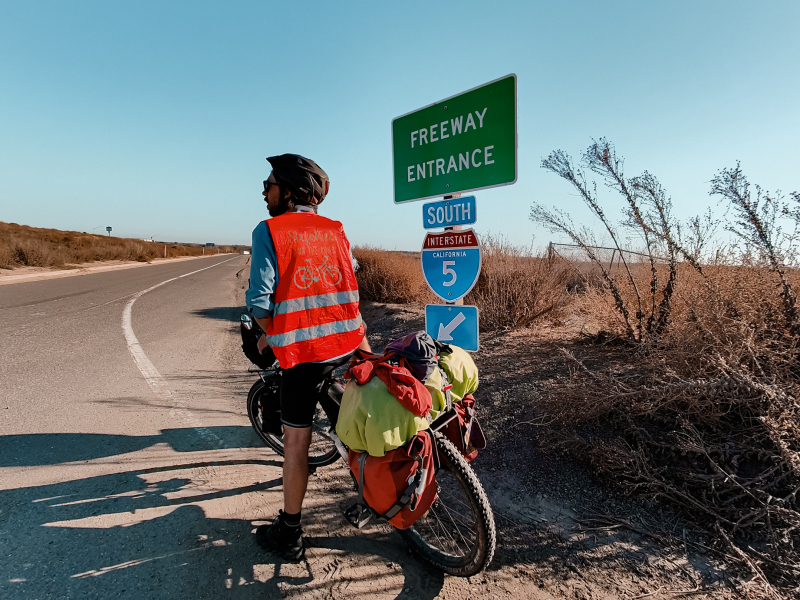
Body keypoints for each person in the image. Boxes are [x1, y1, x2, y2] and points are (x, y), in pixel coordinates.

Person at [246, 153, 371, 561]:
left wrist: (269, 340)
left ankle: (290, 532)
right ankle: (374, 493)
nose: (264, 192)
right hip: (348, 345)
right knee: (351, 427)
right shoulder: (336, 230)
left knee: (296, 441)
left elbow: (260, 307)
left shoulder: (270, 230)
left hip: (303, 358)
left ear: (288, 192)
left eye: (269, 185)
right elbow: (349, 282)